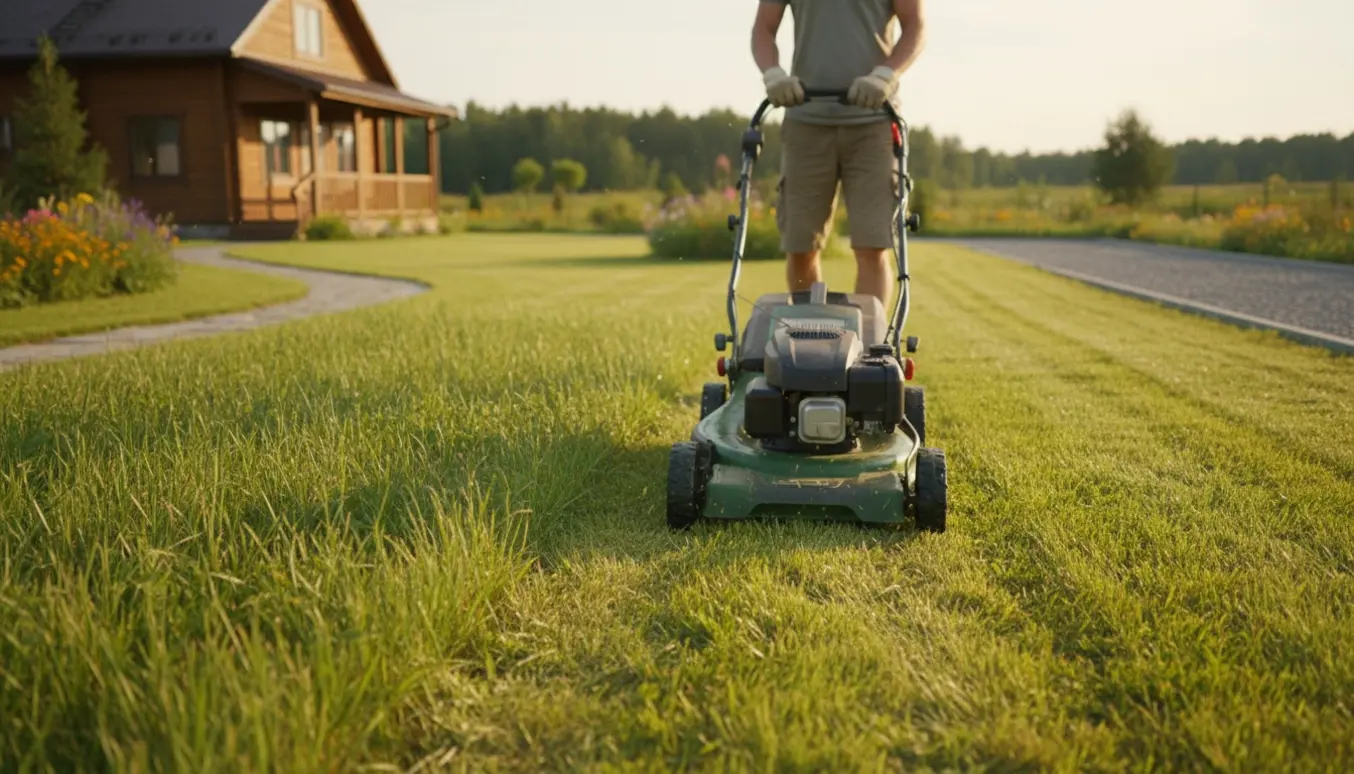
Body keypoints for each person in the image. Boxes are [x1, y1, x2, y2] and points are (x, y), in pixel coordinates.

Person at [751, 0, 926, 309]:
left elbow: (915, 26)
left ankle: (871, 348)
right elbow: (764, 29)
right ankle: (808, 342)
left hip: (873, 122)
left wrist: (885, 75)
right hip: (806, 122)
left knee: (873, 245)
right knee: (801, 245)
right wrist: (773, 74)